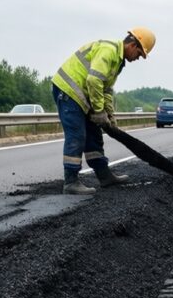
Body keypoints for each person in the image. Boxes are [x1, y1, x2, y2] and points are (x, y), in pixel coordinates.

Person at [52, 27, 156, 195]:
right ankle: (70, 182)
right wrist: (99, 112)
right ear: (132, 45)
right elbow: (94, 81)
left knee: (94, 135)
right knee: (77, 135)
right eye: (139, 54)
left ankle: (104, 176)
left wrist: (110, 116)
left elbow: (106, 90)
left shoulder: (118, 61)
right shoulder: (109, 51)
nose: (138, 59)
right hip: (69, 92)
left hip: (83, 95)